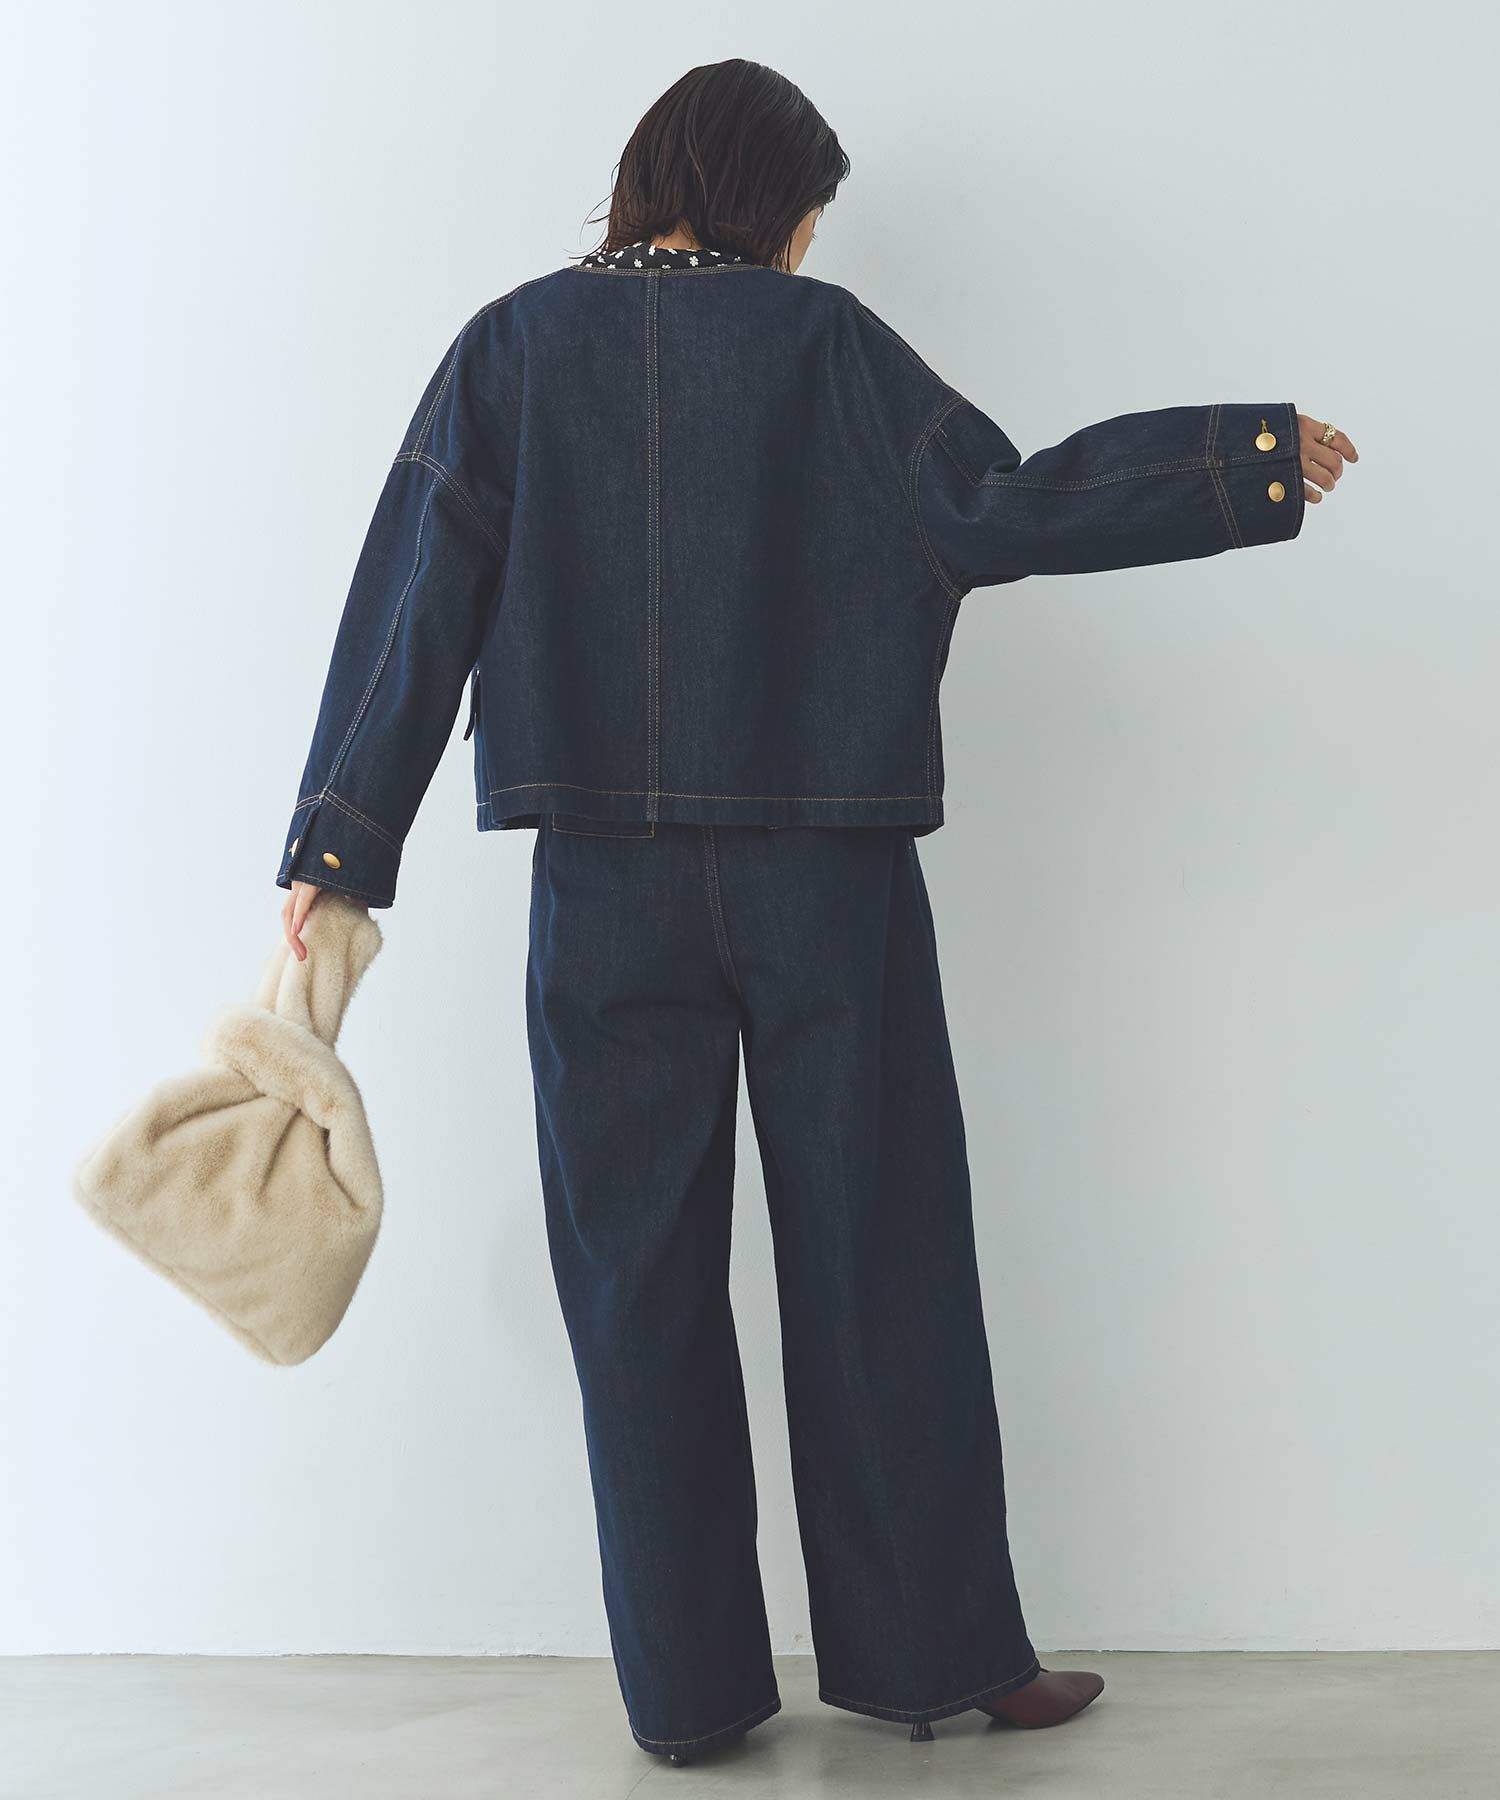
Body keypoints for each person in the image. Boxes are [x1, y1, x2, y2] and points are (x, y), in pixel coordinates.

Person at [274, 58, 1357, 1767]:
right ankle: (938, 1661)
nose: (803, 251)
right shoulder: (827, 345)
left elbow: (421, 591)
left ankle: (689, 1701)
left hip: (604, 884)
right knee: (882, 1259)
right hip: (826, 876)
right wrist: (1241, 464)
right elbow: (1002, 504)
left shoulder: (512, 349)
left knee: (634, 1289)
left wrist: (338, 843)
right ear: (768, 199)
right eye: (804, 217)